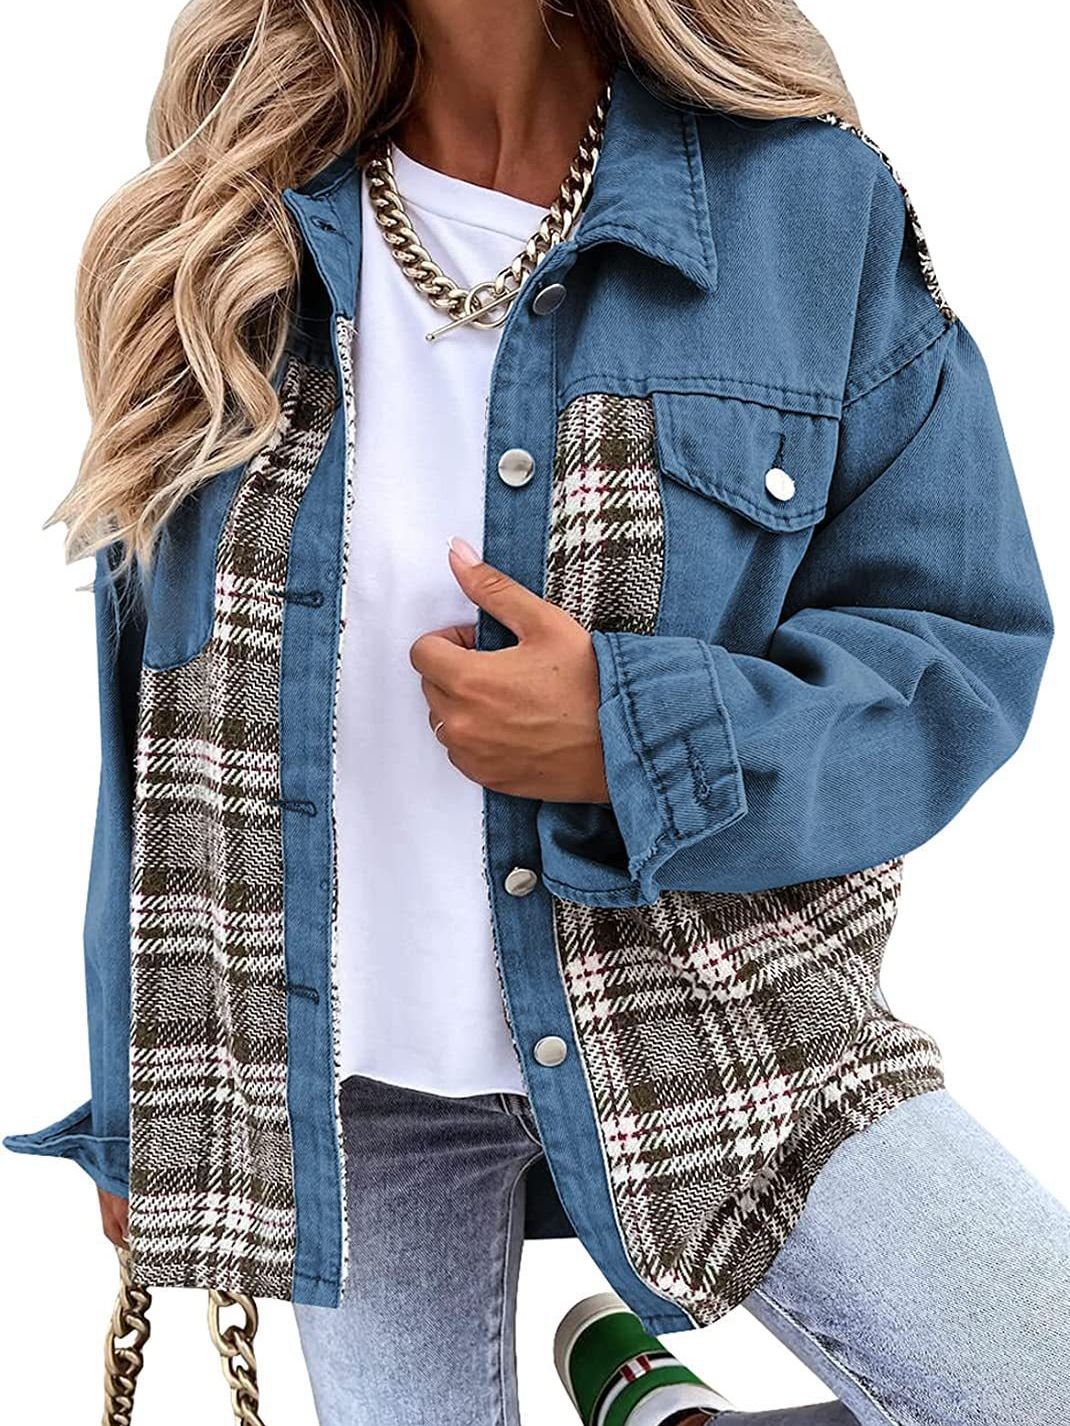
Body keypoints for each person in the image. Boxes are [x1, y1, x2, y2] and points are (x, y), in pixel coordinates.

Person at [4, 2, 1066, 1424]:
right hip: (349, 1093)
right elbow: (155, 721)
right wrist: (141, 1105)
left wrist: (634, 736)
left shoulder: (805, 205)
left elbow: (958, 647)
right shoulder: (222, 234)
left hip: (725, 1023)